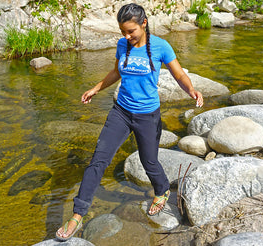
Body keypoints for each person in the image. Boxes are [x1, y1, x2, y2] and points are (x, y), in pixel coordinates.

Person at [56, 3, 203, 241]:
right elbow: (116, 72)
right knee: (98, 160)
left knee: (149, 161)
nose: (127, 36)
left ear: (144, 23)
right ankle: (77, 214)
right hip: (121, 112)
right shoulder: (122, 44)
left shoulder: (160, 47)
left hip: (147, 115)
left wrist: (192, 90)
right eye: (123, 31)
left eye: (131, 31)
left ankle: (162, 189)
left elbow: (179, 74)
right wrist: (96, 88)